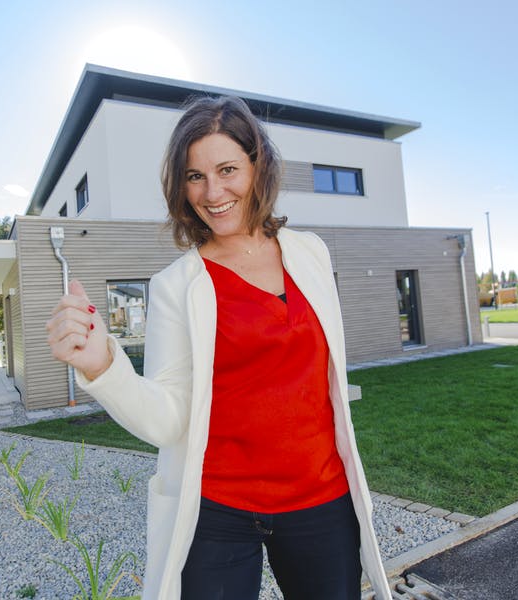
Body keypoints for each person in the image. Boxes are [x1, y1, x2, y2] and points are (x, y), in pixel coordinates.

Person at [46, 95, 392, 600]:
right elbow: (169, 420)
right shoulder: (176, 285)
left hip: (321, 499)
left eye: (228, 169)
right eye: (194, 176)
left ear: (258, 165)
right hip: (218, 511)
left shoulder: (311, 253)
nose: (213, 192)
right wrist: (104, 366)